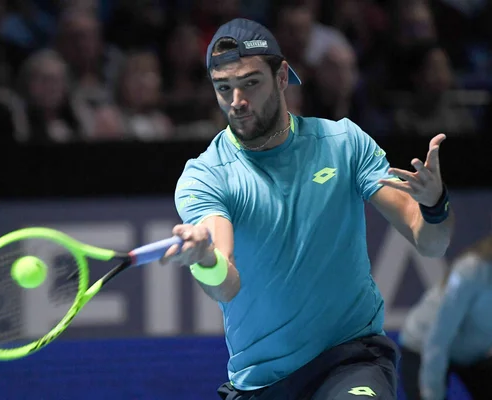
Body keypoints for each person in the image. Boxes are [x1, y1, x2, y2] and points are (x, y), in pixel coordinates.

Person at [160, 18, 455, 399]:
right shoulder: (207, 175)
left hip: (350, 360)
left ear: (282, 76)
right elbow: (226, 283)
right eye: (224, 88)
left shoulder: (343, 144)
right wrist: (205, 258)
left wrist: (433, 204)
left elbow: (430, 243)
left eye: (250, 83)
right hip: (262, 383)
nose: (237, 102)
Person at [399, 235, 492, 400]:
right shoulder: (472, 270)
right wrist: (431, 394)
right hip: (422, 347)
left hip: (470, 354)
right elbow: (438, 338)